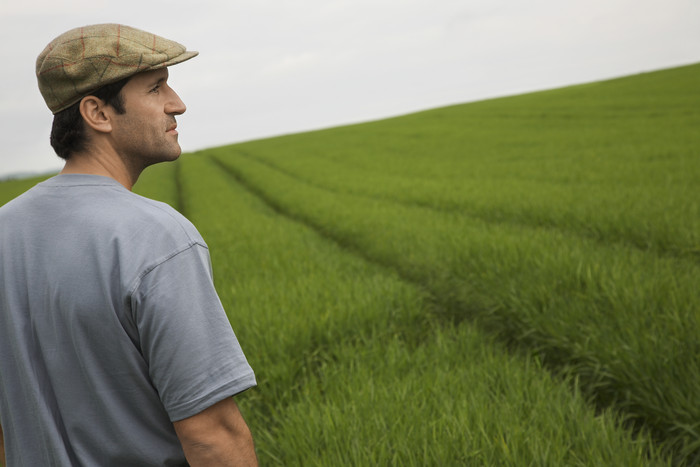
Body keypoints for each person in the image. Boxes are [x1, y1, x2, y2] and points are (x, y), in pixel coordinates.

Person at [0, 24, 257, 466]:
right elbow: (212, 436)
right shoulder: (157, 238)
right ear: (97, 113)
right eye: (156, 88)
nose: (177, 104)